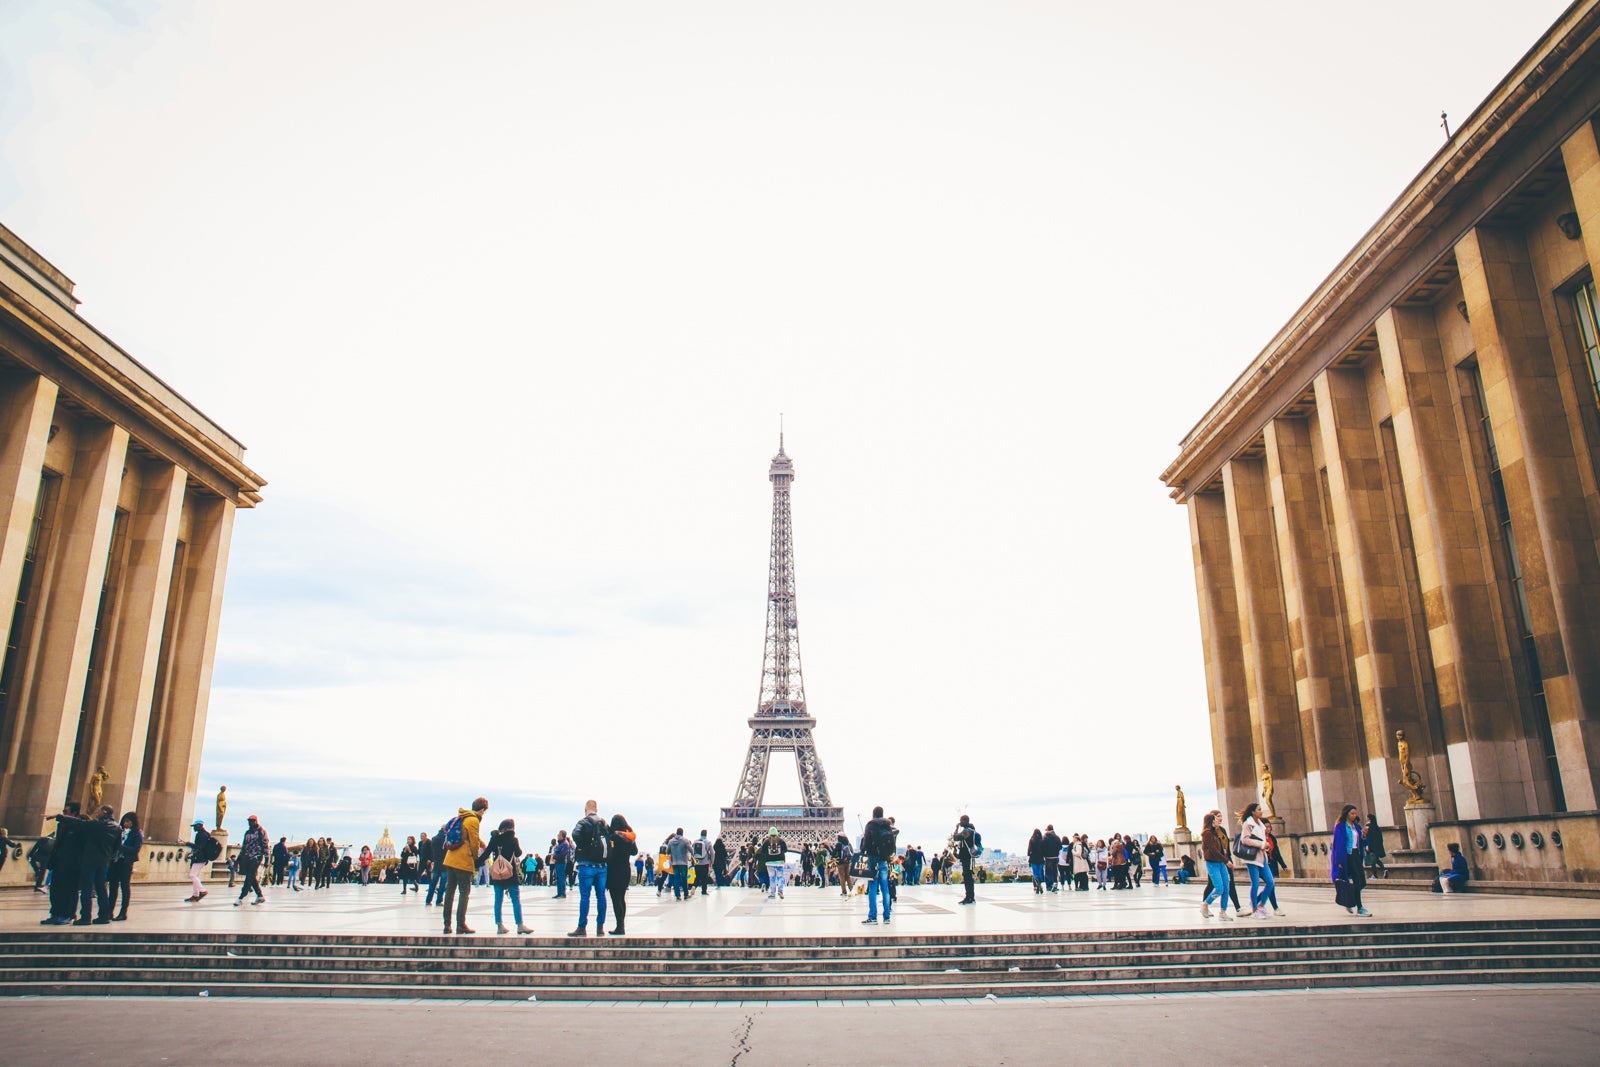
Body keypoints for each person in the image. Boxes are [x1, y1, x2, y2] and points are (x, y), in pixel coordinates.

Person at [442, 797, 489, 935]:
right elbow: (473, 841)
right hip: (463, 860)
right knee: (464, 892)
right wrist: (476, 859)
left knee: (449, 892)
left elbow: (469, 836)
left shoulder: (463, 816)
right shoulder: (474, 820)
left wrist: (483, 844)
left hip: (450, 858)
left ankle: (447, 925)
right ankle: (461, 924)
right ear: (482, 810)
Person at [568, 799, 611, 937]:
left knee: (585, 897)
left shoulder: (583, 822)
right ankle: (600, 927)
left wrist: (583, 846)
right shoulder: (603, 823)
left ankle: (582, 927)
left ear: (585, 809)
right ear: (596, 809)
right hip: (602, 866)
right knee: (601, 896)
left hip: (586, 865)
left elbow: (575, 834)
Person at [483, 818, 532, 935]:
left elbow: (486, 853)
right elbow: (519, 853)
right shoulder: (513, 839)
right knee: (515, 900)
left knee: (498, 900)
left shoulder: (495, 839)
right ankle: (520, 925)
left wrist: (475, 863)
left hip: (498, 874)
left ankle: (499, 925)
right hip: (510, 874)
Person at [78, 805, 120, 925]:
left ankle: (85, 916)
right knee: (101, 888)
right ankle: (104, 915)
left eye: (98, 811)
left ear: (104, 812)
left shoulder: (96, 824)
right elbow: (117, 847)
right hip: (104, 861)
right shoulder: (117, 827)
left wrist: (60, 817)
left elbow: (79, 823)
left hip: (90, 859)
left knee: (87, 888)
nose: (96, 813)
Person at [1330, 803, 1371, 916]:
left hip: (1356, 855)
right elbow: (1338, 844)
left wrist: (1363, 835)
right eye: (1352, 813)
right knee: (1357, 880)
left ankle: (1349, 901)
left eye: (1355, 813)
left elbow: (1360, 842)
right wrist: (1339, 861)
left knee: (1362, 882)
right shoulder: (1341, 826)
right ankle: (1360, 907)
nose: (1354, 815)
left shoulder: (1356, 826)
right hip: (1346, 856)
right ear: (1346, 814)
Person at [1236, 803, 1274, 919]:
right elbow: (1245, 840)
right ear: (1253, 812)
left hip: (1262, 857)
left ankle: (1261, 904)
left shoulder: (1260, 824)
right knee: (1255, 883)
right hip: (1252, 858)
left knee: (1270, 882)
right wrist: (1262, 844)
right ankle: (1254, 908)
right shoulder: (1248, 824)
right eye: (1258, 809)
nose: (1261, 811)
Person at [861, 806, 896, 925]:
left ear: (873, 814)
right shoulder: (887, 825)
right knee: (885, 888)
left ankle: (873, 917)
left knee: (872, 888)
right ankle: (887, 917)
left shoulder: (870, 825)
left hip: (873, 859)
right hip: (884, 860)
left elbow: (865, 844)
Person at [105, 811, 143, 921]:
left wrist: (121, 848)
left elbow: (136, 849)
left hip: (126, 862)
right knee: (113, 886)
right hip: (115, 861)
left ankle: (123, 912)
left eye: (128, 821)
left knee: (124, 887)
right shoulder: (120, 831)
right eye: (124, 821)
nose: (125, 823)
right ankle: (109, 911)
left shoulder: (136, 833)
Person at [1199, 810, 1234, 920]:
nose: (1217, 821)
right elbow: (1214, 850)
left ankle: (1223, 912)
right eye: (1215, 819)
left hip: (1220, 863)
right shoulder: (1207, 834)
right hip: (1213, 863)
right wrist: (1226, 861)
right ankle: (1205, 904)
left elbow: (1222, 849)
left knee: (1226, 888)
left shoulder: (1215, 833)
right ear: (1211, 821)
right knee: (1219, 888)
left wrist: (1225, 860)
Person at [606, 814, 638, 935]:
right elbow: (634, 852)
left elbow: (610, 854)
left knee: (615, 899)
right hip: (625, 869)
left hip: (614, 870)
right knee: (622, 898)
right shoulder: (629, 837)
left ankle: (620, 926)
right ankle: (621, 925)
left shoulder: (613, 836)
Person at [235, 814, 268, 906]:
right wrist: (238, 860)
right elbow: (244, 846)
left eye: (252, 821)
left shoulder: (261, 831)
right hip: (247, 856)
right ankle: (260, 895)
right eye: (249, 821)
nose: (250, 822)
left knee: (249, 875)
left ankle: (241, 897)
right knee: (251, 876)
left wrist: (266, 859)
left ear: (256, 821)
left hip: (256, 856)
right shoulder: (247, 832)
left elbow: (265, 845)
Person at [185, 818, 217, 904]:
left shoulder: (202, 835)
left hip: (200, 858)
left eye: (195, 826)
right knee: (195, 876)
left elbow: (200, 847)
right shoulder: (203, 834)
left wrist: (190, 844)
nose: (194, 828)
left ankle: (202, 891)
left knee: (192, 875)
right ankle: (195, 895)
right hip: (200, 858)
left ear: (200, 826)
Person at [756, 827, 792, 900]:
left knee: (772, 878)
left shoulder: (766, 842)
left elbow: (762, 851)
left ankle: (772, 893)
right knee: (780, 877)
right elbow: (785, 850)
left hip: (769, 862)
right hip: (779, 862)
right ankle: (780, 891)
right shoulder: (781, 841)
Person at [952, 814, 978, 905]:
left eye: (961, 820)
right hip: (966, 857)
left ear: (966, 821)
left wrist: (956, 828)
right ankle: (969, 896)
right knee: (967, 877)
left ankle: (969, 897)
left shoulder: (967, 831)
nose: (960, 822)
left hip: (968, 857)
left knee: (968, 877)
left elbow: (955, 837)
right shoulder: (968, 831)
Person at [667, 828, 691, 901]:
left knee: (676, 879)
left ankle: (677, 895)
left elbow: (667, 851)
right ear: (682, 833)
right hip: (683, 862)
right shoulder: (685, 840)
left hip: (674, 863)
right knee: (684, 878)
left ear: (676, 833)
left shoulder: (671, 841)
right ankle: (686, 894)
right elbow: (691, 849)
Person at [550, 829, 573, 899]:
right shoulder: (560, 844)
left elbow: (562, 854)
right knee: (558, 878)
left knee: (561, 878)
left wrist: (555, 858)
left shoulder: (565, 844)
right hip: (558, 862)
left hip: (561, 863)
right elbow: (556, 852)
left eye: (559, 835)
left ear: (562, 836)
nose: (557, 836)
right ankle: (559, 893)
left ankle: (563, 893)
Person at [1041, 825, 1061, 892]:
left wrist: (1044, 854)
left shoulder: (1045, 837)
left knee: (1048, 872)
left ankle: (1049, 886)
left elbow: (1043, 847)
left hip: (1048, 857)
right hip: (1055, 857)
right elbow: (1060, 847)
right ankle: (1055, 885)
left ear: (1048, 830)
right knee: (1055, 872)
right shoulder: (1057, 837)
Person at [692, 829, 713, 896]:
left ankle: (694, 886)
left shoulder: (695, 842)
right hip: (705, 862)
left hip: (697, 862)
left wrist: (693, 860)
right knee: (704, 877)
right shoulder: (708, 842)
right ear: (706, 834)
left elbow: (692, 851)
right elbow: (713, 853)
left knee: (697, 876)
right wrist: (712, 861)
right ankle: (704, 891)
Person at [1026, 828, 1046, 894]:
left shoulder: (1032, 840)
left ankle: (1037, 886)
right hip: (1040, 859)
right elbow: (1044, 850)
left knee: (1035, 873)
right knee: (1040, 873)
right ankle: (1039, 885)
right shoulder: (1042, 840)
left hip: (1033, 859)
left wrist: (1030, 854)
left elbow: (1029, 851)